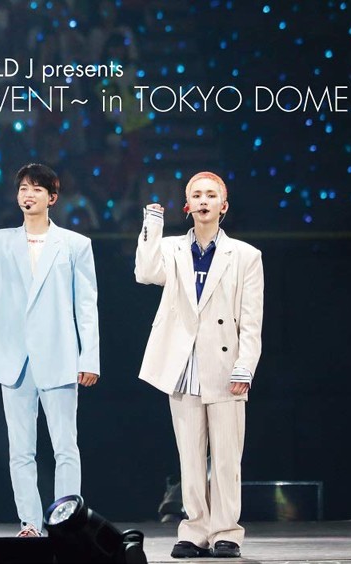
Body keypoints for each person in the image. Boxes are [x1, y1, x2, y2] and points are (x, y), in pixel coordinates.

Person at [0, 163, 100, 537]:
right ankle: (30, 523)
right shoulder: (2, 240)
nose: (28, 194)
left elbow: (86, 305)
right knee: (21, 449)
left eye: (36, 189)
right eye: (23, 188)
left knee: (65, 446)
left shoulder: (75, 244)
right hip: (15, 359)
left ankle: (67, 523)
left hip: (59, 355)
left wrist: (89, 358)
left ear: (52, 198)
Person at [134, 171, 264, 559]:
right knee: (190, 456)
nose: (204, 200)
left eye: (211, 195)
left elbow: (251, 319)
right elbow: (145, 273)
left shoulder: (245, 255)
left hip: (225, 365)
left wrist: (245, 366)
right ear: (187, 205)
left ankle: (227, 531)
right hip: (182, 364)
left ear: (224, 206)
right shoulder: (172, 248)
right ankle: (194, 530)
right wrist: (152, 224)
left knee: (225, 458)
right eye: (197, 195)